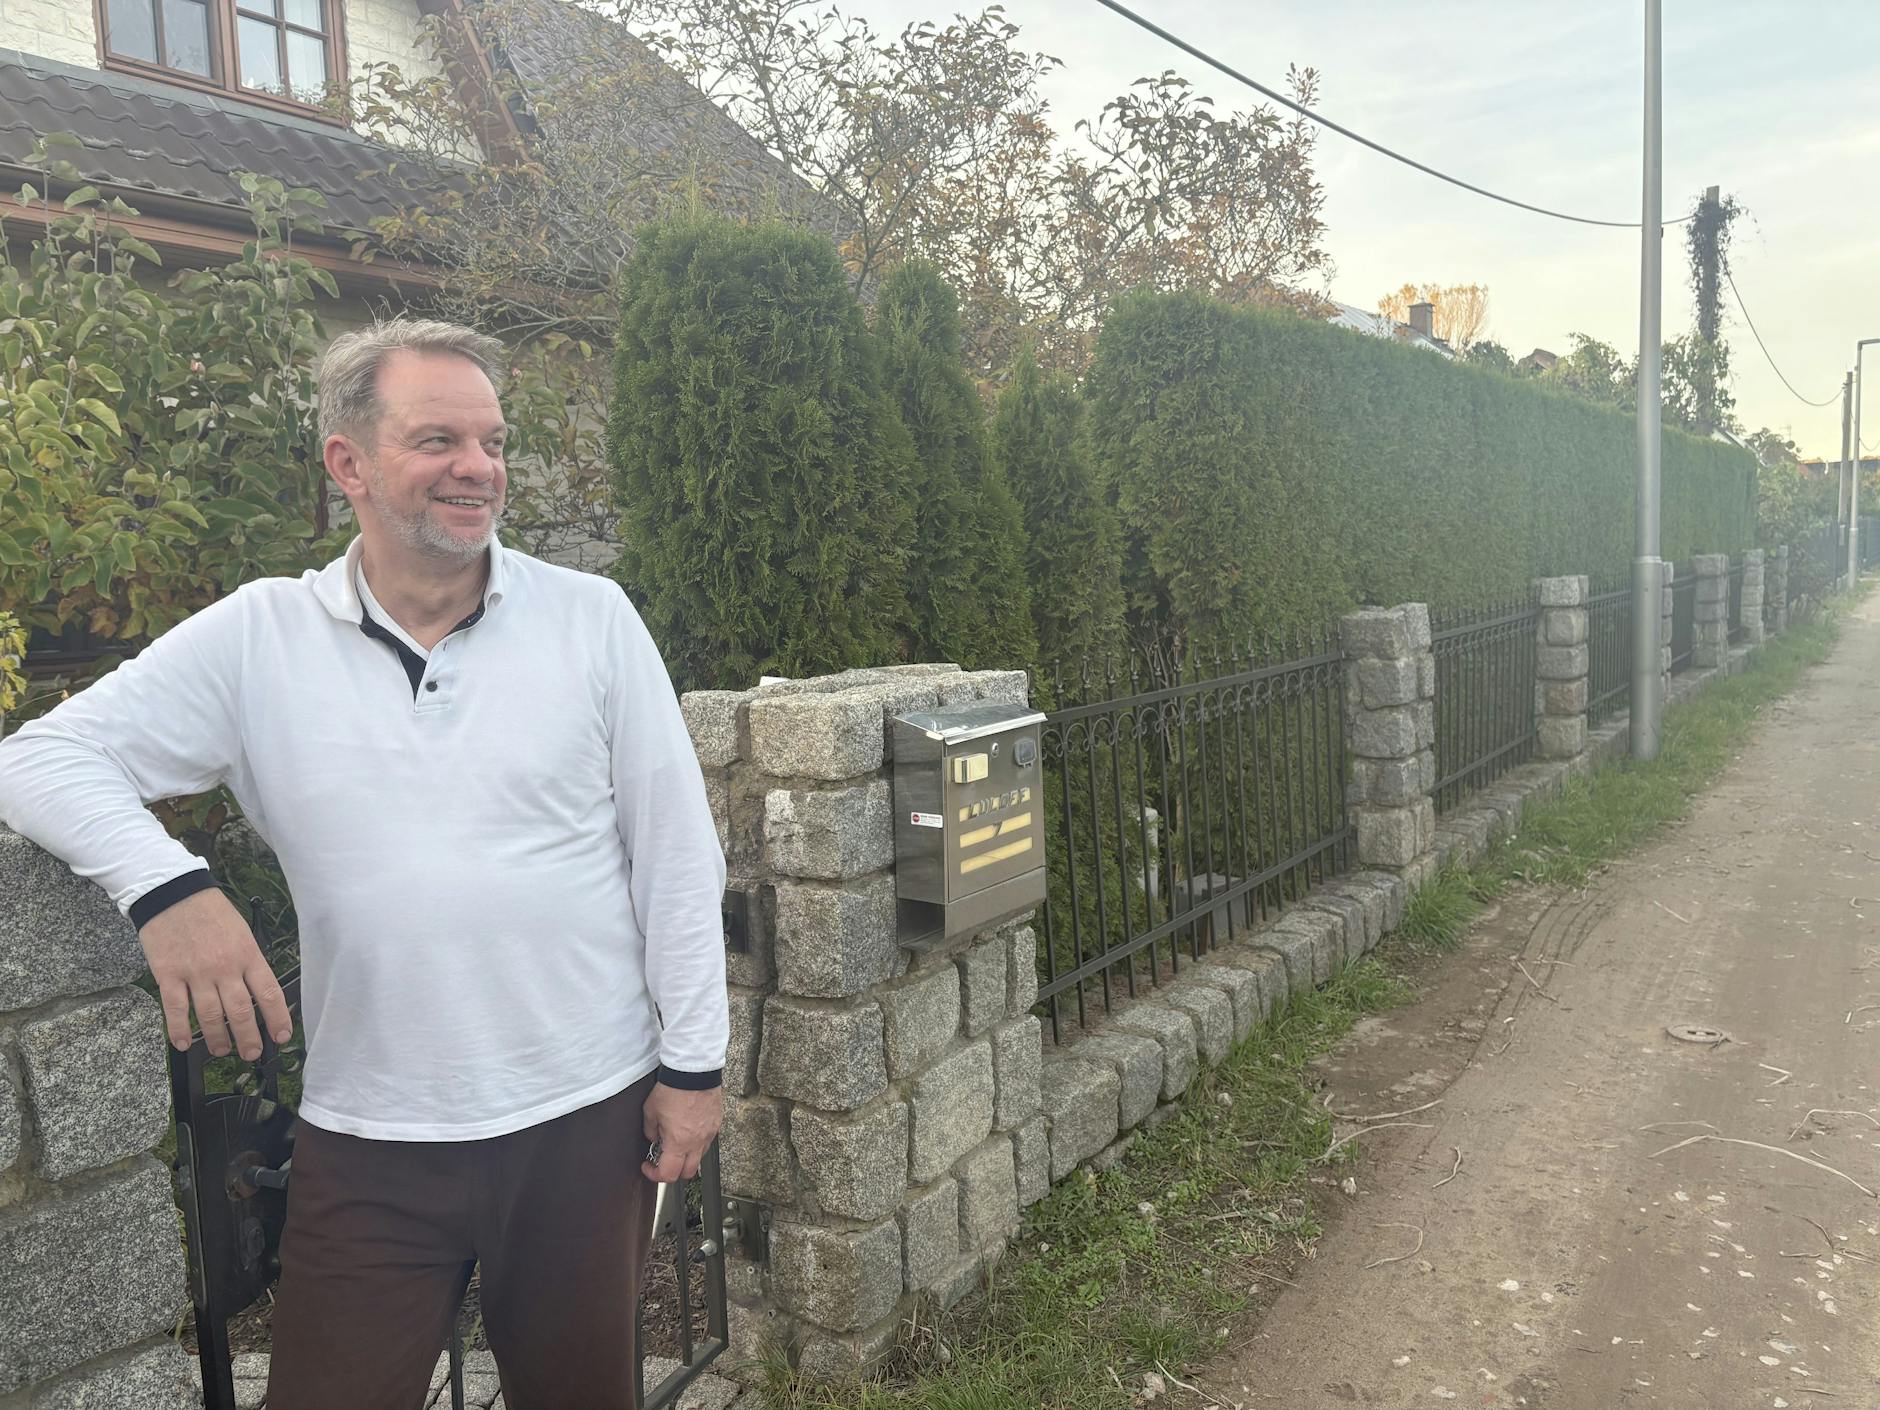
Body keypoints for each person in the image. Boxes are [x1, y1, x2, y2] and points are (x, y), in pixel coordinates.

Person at [0, 319, 728, 1410]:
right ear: (348, 461)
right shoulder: (260, 639)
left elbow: (675, 854)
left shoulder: (591, 620)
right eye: (439, 440)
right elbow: (36, 759)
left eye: (492, 442)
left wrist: (694, 1070)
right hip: (370, 1132)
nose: (478, 468)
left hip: (581, 1114)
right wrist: (169, 888)